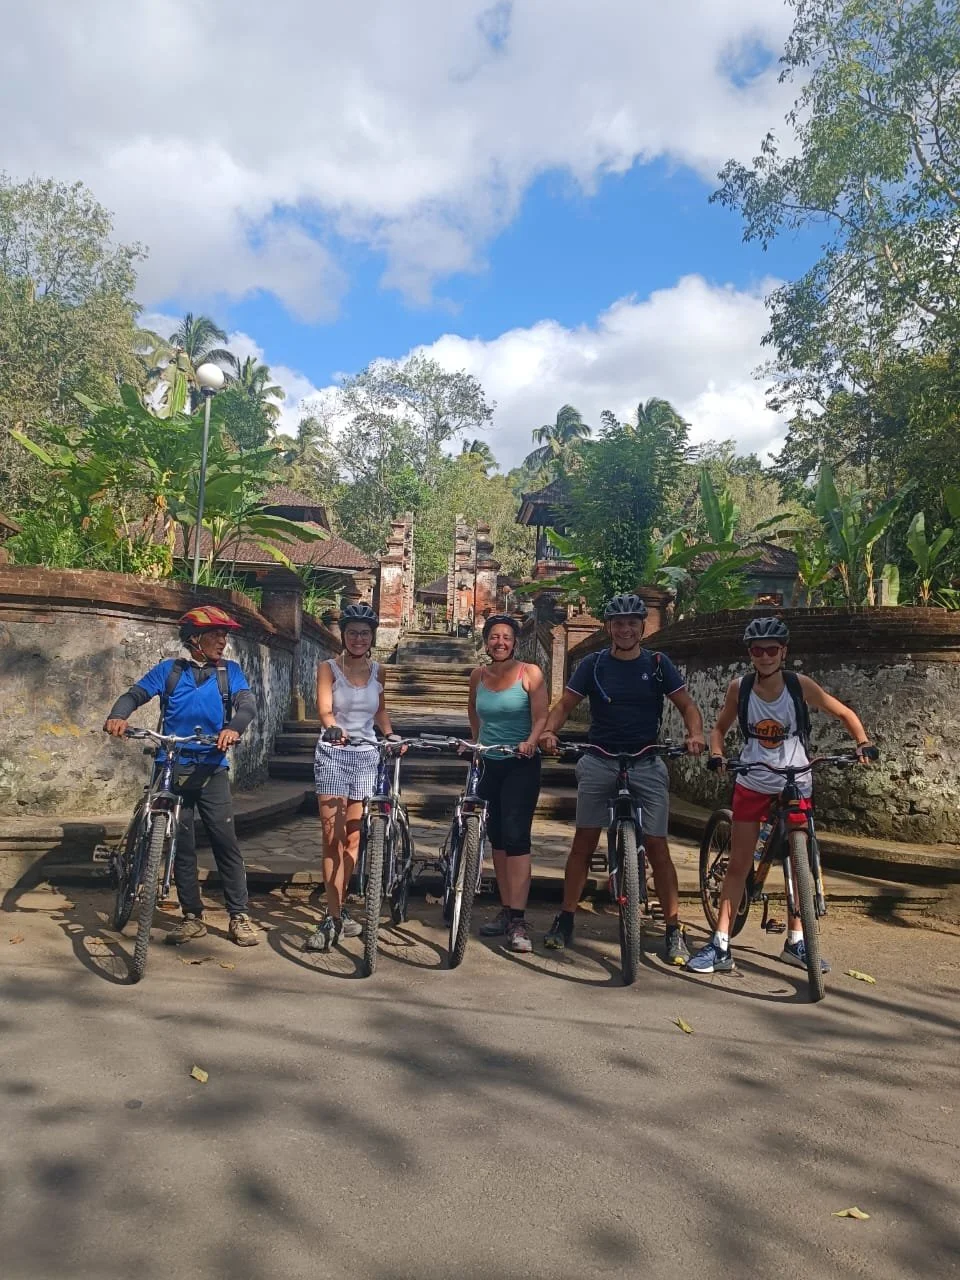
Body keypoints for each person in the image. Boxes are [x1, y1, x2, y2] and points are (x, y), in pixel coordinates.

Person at [686, 616, 875, 975]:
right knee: (740, 863)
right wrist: (718, 754)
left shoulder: (798, 685)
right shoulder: (740, 688)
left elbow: (843, 713)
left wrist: (862, 742)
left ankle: (797, 941)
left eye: (772, 649)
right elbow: (719, 729)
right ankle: (720, 943)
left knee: (801, 862)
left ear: (783, 651)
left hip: (796, 781)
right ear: (750, 654)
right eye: (758, 650)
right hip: (754, 780)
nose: (765, 656)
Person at [539, 593, 706, 964]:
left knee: (658, 845)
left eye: (632, 622)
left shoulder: (658, 664)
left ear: (642, 626)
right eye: (618, 623)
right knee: (584, 842)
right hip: (601, 758)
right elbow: (564, 705)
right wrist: (550, 732)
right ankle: (565, 918)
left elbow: (687, 706)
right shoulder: (594, 664)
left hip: (646, 759)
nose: (625, 629)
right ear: (609, 627)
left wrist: (695, 734)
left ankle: (673, 928)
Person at [104, 605, 260, 947]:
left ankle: (239, 915)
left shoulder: (230, 672)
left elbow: (247, 705)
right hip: (171, 764)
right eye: (216, 634)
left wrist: (233, 728)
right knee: (182, 844)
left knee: (224, 841)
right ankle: (192, 916)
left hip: (211, 767)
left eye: (224, 635)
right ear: (195, 638)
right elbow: (135, 694)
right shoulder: (169, 671)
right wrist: (118, 715)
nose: (222, 641)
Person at [305, 603, 402, 953]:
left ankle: (339, 907)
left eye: (364, 633)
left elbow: (380, 710)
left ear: (372, 637)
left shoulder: (379, 671)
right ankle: (333, 915)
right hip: (334, 754)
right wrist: (333, 728)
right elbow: (324, 709)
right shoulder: (328, 668)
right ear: (343, 636)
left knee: (353, 837)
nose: (358, 638)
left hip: (366, 756)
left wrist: (389, 734)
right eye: (352, 633)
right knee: (332, 836)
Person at [470, 614, 549, 953]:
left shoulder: (529, 673)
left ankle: (518, 918)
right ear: (486, 641)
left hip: (521, 763)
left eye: (506, 637)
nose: (499, 642)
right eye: (494, 637)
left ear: (515, 642)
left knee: (517, 838)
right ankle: (505, 908)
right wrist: (476, 744)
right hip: (490, 763)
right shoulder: (478, 675)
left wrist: (530, 741)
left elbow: (542, 715)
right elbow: (474, 714)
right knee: (497, 839)